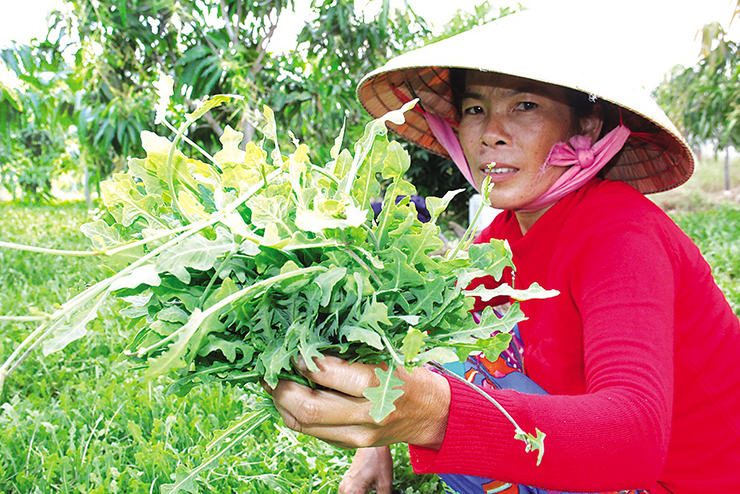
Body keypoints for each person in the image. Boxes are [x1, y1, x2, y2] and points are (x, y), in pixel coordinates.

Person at [264, 8, 740, 494]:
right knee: (443, 352)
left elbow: (635, 440)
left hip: (678, 481)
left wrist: (436, 415)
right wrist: (375, 444)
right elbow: (431, 349)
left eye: (525, 106)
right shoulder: (498, 241)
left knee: (455, 389)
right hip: (603, 467)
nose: (491, 132)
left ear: (588, 126)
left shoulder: (621, 233)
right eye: (475, 110)